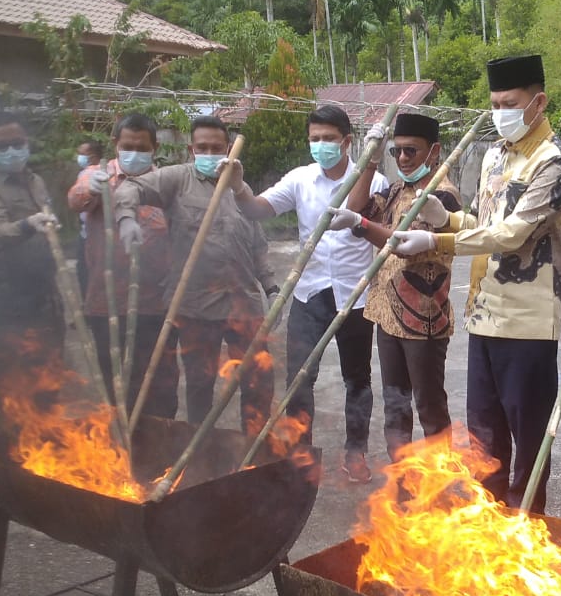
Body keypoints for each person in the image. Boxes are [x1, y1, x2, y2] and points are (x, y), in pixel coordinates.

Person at [390, 55, 561, 513]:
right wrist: (449, 217)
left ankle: (527, 526)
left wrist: (438, 238)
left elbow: (513, 233)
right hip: (485, 314)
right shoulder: (495, 154)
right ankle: (490, 522)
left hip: (528, 320)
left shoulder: (555, 162)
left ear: (538, 102)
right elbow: (483, 221)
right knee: (483, 434)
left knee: (528, 433)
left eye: (509, 103)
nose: (500, 113)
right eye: (495, 103)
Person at [231, 104, 386, 483]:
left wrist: (369, 166)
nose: (321, 145)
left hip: (356, 295)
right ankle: (301, 454)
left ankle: (355, 453)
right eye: (314, 139)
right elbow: (256, 209)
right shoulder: (300, 179)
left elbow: (368, 222)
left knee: (358, 381)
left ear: (347, 142)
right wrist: (237, 185)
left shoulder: (375, 181)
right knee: (300, 380)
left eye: (329, 139)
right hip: (309, 292)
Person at [113, 116, 274, 432]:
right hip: (196, 307)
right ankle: (200, 451)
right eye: (203, 147)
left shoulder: (239, 187)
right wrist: (126, 218)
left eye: (217, 147)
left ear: (228, 149)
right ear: (191, 149)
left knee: (258, 382)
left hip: (244, 305)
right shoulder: (176, 180)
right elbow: (130, 187)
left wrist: (272, 287)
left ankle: (254, 452)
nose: (210, 153)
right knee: (200, 385)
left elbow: (256, 245)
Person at [339, 112, 462, 459]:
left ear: (434, 151)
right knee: (395, 405)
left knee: (429, 407)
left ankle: (437, 482)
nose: (404, 159)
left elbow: (403, 244)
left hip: (423, 321)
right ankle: (402, 483)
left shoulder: (443, 198)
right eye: (397, 152)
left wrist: (362, 225)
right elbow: (356, 207)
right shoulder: (397, 190)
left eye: (412, 151)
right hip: (388, 317)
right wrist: (370, 162)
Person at [68, 113, 177, 421]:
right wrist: (92, 189)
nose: (134, 153)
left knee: (161, 384)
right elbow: (75, 200)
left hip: (158, 304)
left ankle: (161, 450)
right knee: (116, 386)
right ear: (116, 144)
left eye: (142, 147)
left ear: (154, 147)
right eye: (127, 145)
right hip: (108, 303)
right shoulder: (96, 175)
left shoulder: (165, 183)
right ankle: (121, 453)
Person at [0, 112, 62, 392]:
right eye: (2, 146)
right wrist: (28, 224)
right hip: (5, 299)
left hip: (43, 292)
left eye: (17, 143)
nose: (12, 151)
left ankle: (50, 435)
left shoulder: (35, 180)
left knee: (50, 376)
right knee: (14, 384)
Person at [74, 140, 104, 297]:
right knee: (83, 270)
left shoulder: (101, 175)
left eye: (82, 154)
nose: (78, 157)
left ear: (93, 157)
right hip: (85, 232)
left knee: (90, 271)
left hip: (97, 236)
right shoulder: (84, 174)